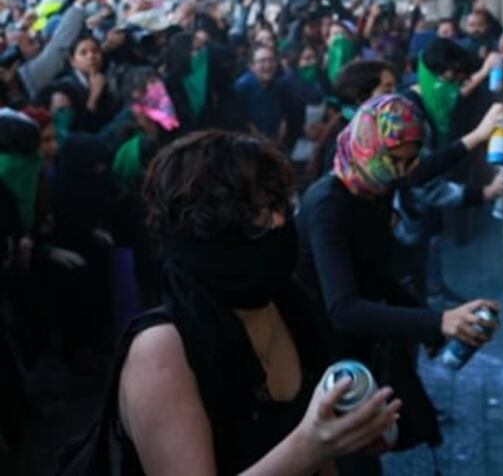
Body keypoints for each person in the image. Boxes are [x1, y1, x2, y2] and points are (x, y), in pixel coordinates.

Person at [61, 130, 401, 475]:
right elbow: (310, 446)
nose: (280, 224)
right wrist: (309, 446)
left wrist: (344, 438)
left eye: (280, 206)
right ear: (205, 232)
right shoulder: (162, 350)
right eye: (258, 215)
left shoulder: (288, 303)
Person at [298, 94, 501, 472]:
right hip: (323, 359)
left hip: (361, 351)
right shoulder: (329, 205)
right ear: (369, 146)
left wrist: (434, 324)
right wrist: (436, 322)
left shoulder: (375, 185)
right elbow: (343, 308)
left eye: (410, 160)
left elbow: (375, 274)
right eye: (398, 160)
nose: (404, 171)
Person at [234, 45, 289, 143]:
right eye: (262, 61)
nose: (268, 65)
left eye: (271, 60)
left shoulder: (277, 86)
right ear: (251, 65)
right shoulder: (241, 87)